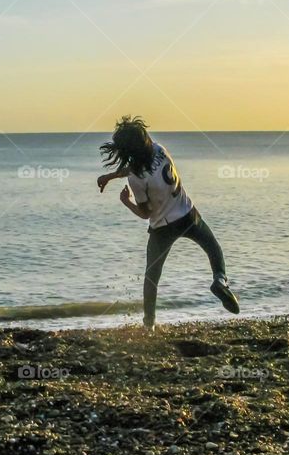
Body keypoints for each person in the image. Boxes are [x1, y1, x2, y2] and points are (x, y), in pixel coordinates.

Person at [97, 116, 239, 329]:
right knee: (212, 247)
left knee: (151, 277)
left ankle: (149, 325)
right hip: (188, 213)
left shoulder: (136, 179)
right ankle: (220, 281)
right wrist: (110, 175)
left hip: (163, 227)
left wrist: (126, 202)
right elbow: (140, 166)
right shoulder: (159, 149)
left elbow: (145, 213)